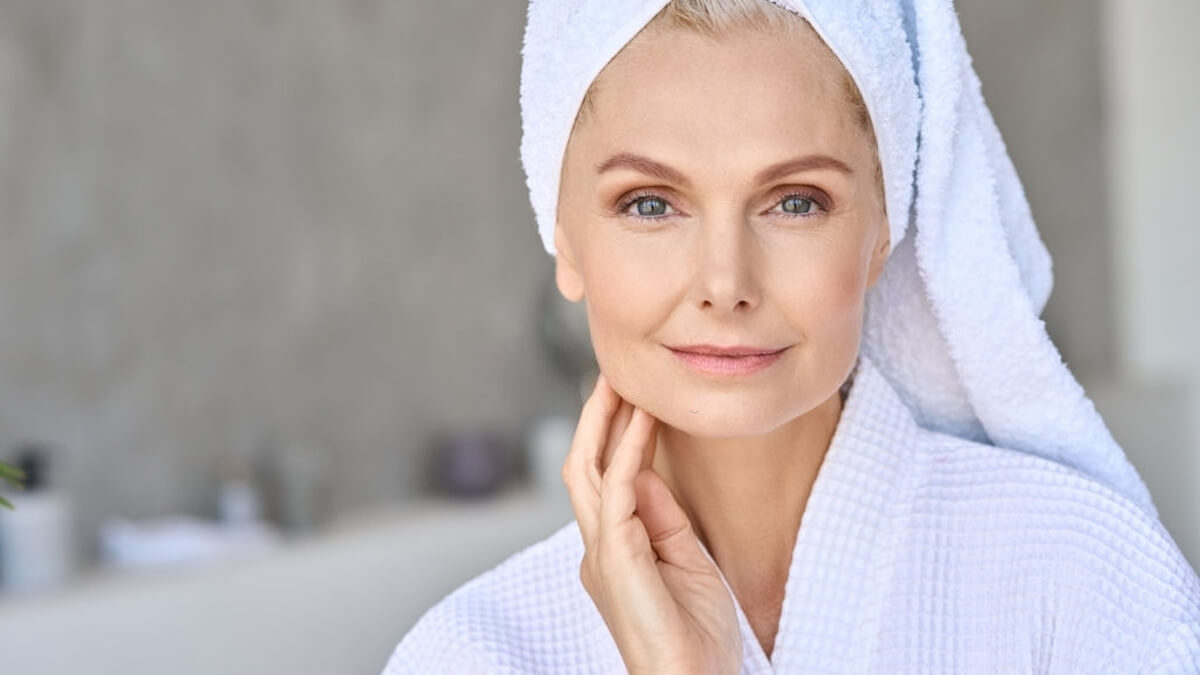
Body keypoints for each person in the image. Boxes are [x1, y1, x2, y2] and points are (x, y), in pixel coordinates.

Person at [383, 0, 1200, 672]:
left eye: (796, 201)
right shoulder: (474, 653)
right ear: (563, 236)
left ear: (883, 228)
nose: (726, 284)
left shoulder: (1082, 574)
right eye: (650, 203)